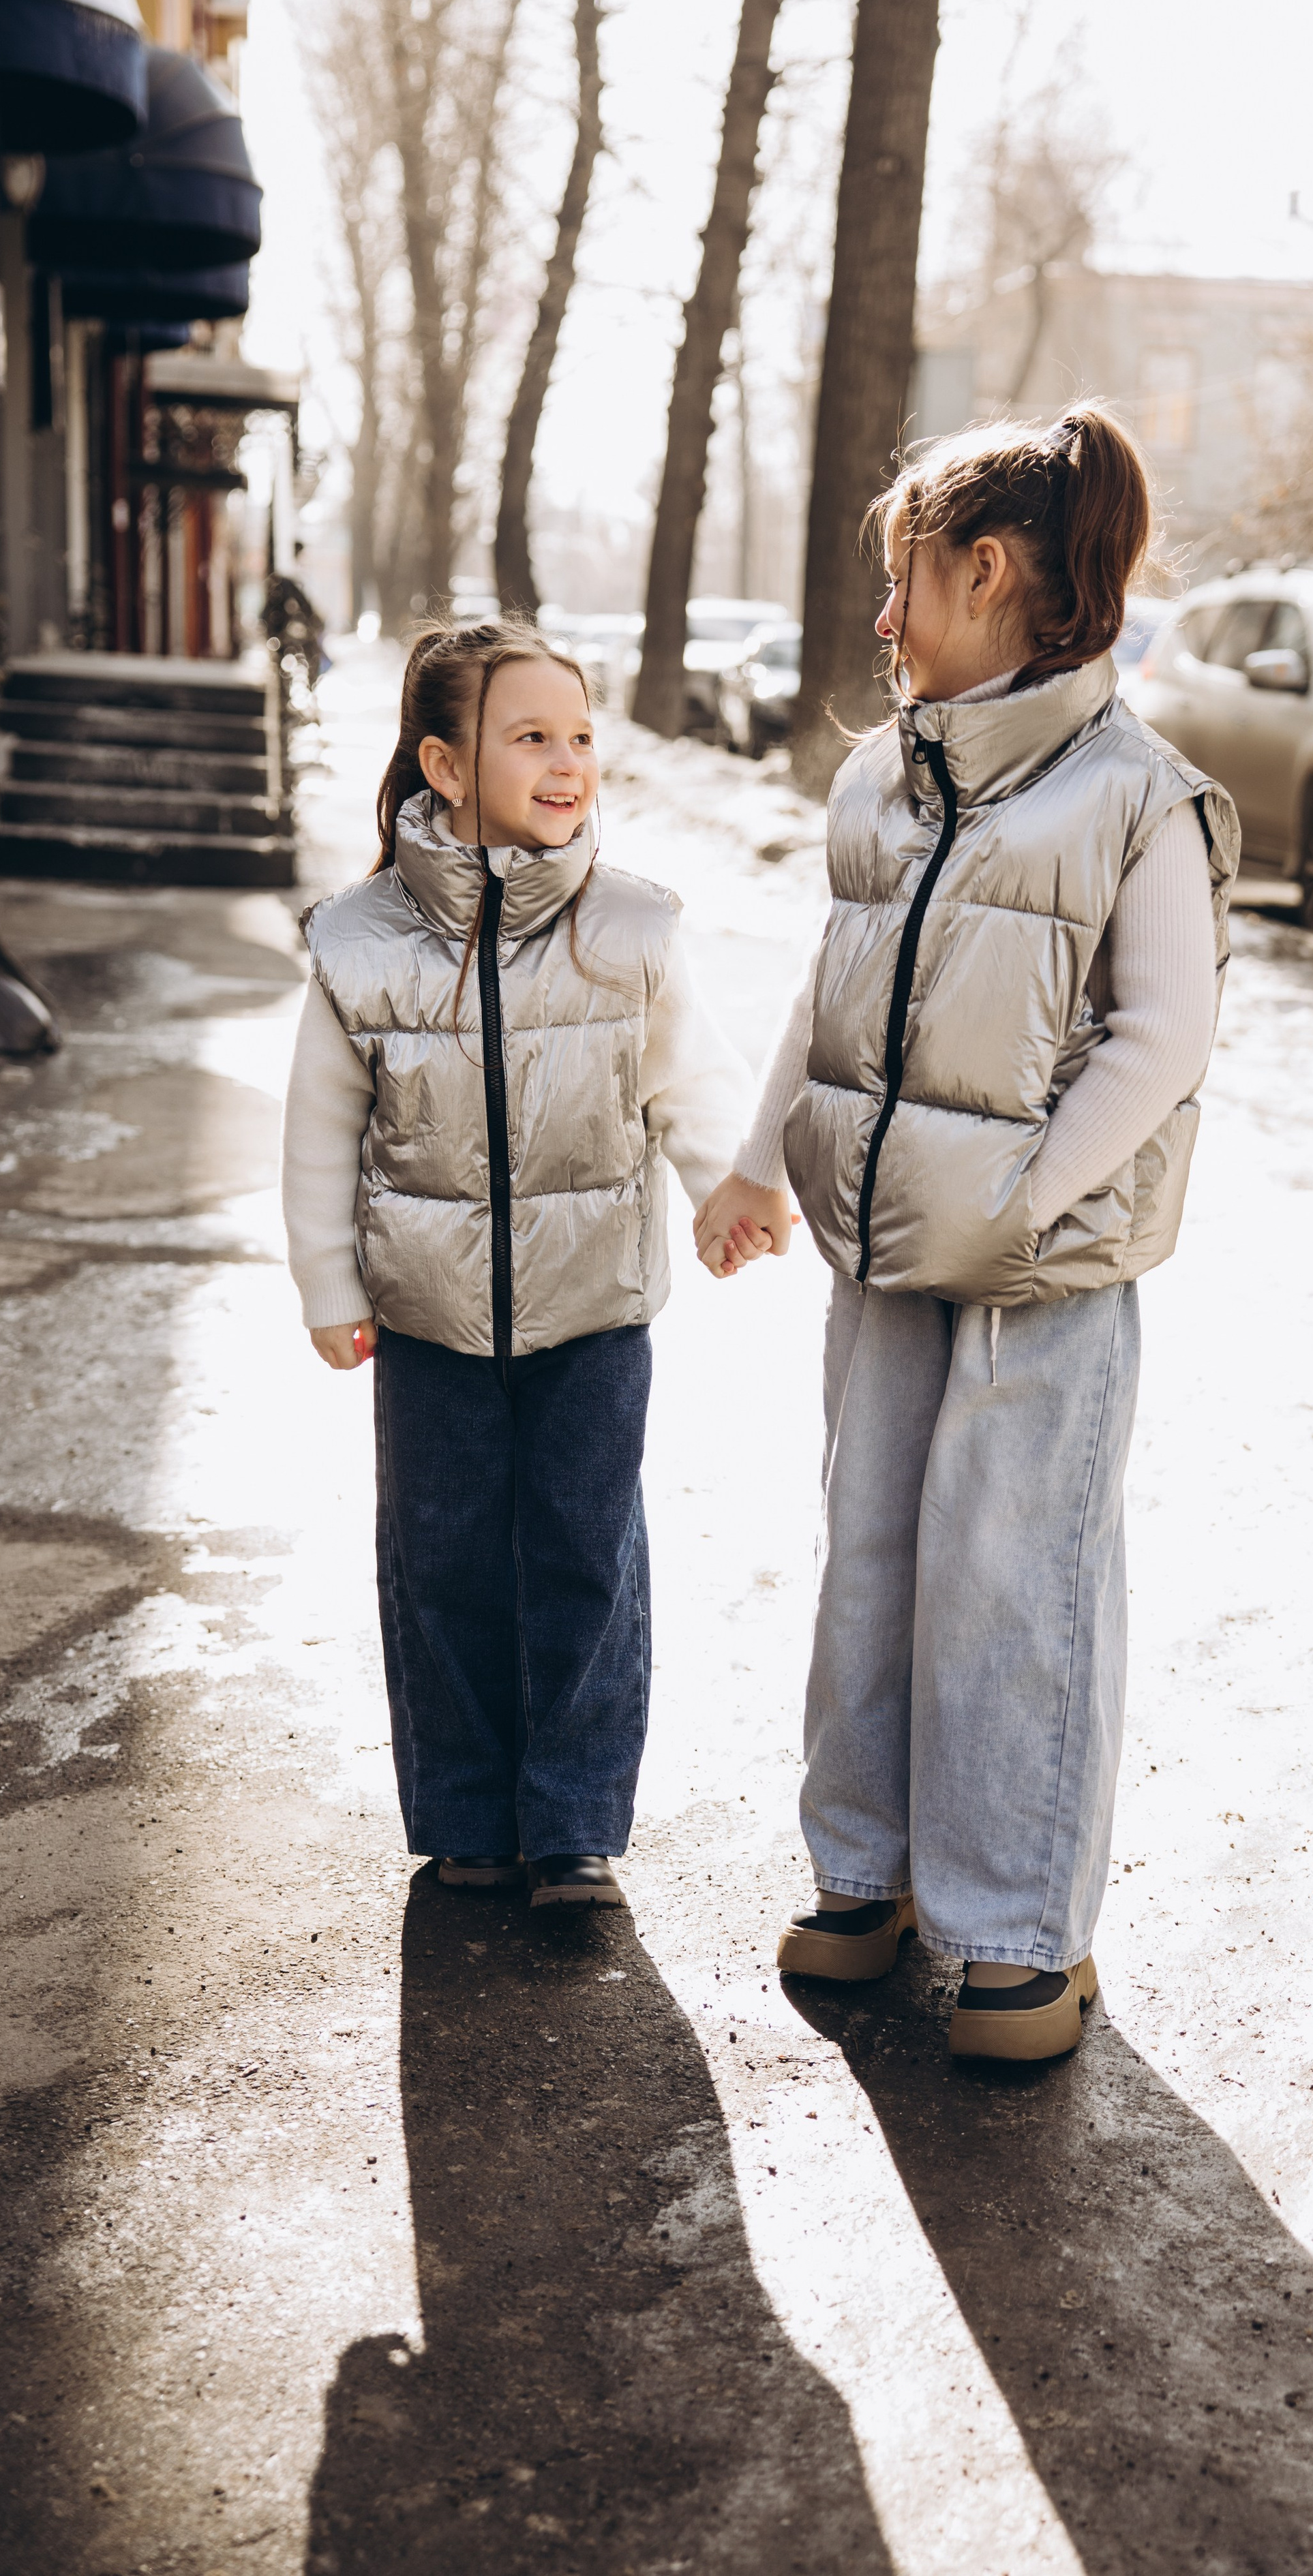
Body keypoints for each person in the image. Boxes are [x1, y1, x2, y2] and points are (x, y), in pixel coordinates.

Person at [693, 408, 1239, 2061]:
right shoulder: (886, 772)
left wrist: (1031, 1195)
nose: (880, 620)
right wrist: (751, 1166)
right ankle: (870, 1876)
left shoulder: (1138, 798)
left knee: (1009, 1584)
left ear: (985, 571)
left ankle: (1012, 1932)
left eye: (898, 580)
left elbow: (1163, 1037)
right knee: (871, 1560)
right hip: (882, 1261)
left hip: (1033, 1282)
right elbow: (830, 990)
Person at [282, 619, 759, 1907]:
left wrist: (726, 1193)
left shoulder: (633, 927)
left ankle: (573, 1826)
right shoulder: (359, 941)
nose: (567, 763)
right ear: (445, 765)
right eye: (532, 737)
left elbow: (692, 1084)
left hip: (594, 1307)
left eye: (582, 737)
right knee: (439, 1557)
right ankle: (467, 1816)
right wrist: (330, 1284)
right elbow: (322, 1130)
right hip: (428, 1316)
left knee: (583, 1553)